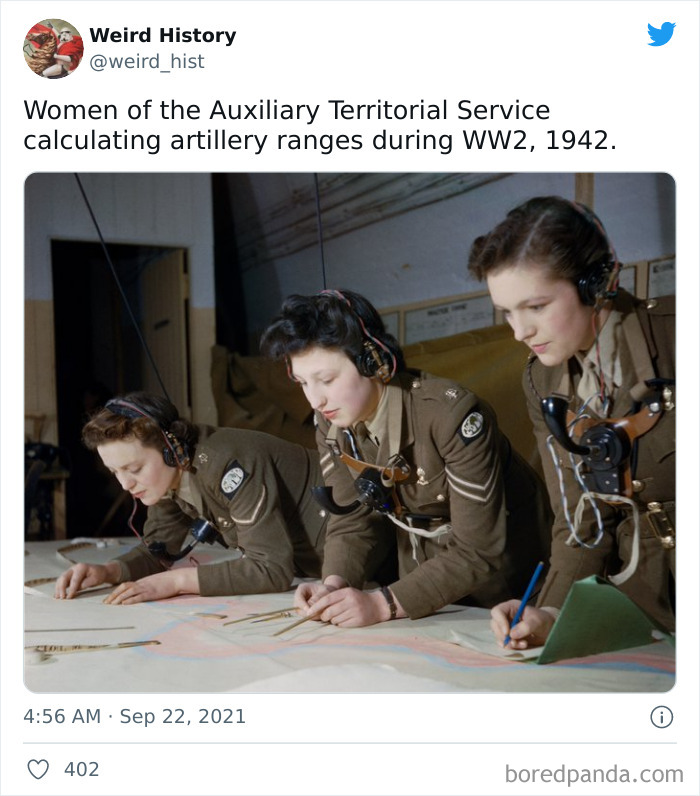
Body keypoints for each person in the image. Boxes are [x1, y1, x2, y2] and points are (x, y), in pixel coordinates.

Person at [260, 289, 551, 627]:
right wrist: (334, 584)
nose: (315, 399)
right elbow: (352, 518)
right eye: (302, 383)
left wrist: (383, 604)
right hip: (426, 594)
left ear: (374, 361)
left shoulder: (451, 416)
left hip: (512, 592)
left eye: (326, 379)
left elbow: (478, 549)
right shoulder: (332, 423)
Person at [467, 196, 675, 648]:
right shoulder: (542, 379)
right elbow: (578, 517)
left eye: (535, 306)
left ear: (594, 282)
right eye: (506, 311)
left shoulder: (678, 337)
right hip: (646, 614)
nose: (519, 331)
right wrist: (551, 611)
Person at [54, 392, 328, 604]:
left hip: (351, 554)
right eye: (115, 472)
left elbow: (270, 568)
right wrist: (108, 572)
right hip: (316, 568)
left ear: (170, 449)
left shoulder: (227, 463)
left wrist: (176, 582)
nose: (125, 484)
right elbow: (158, 551)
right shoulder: (168, 477)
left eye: (134, 469)